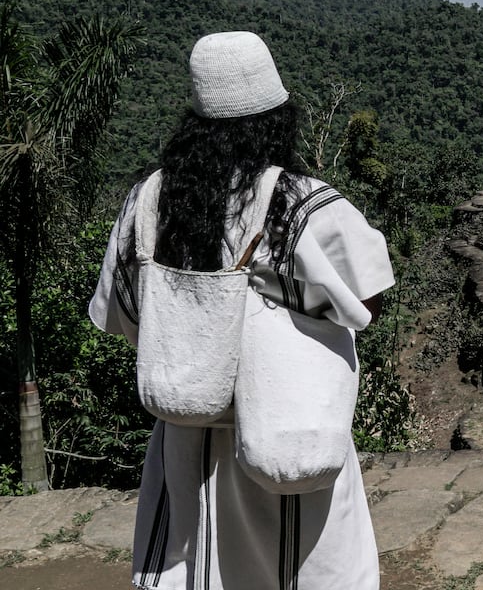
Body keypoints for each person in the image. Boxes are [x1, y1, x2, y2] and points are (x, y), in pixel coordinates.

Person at [89, 31, 393, 590]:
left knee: (197, 562)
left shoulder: (150, 201)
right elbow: (365, 303)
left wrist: (200, 336)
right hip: (289, 425)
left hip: (188, 433)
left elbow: (123, 316)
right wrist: (274, 297)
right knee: (303, 565)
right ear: (277, 116)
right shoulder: (302, 205)